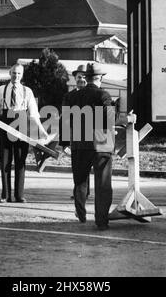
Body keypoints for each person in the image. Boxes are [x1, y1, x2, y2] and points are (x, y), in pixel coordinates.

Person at [0, 63, 49, 203]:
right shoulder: (1, 89)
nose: (16, 76)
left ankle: (19, 195)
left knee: (20, 160)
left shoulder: (27, 91)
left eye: (19, 73)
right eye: (14, 73)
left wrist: (41, 131)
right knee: (5, 159)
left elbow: (34, 113)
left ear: (22, 75)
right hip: (5, 122)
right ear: (9, 73)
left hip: (22, 122)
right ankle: (5, 195)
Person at [66, 63, 115, 231]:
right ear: (100, 78)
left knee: (80, 180)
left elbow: (66, 121)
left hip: (79, 144)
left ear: (85, 78)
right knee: (103, 184)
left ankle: (81, 213)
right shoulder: (104, 95)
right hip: (100, 144)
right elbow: (109, 121)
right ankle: (101, 221)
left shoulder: (73, 97)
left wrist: (66, 143)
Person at [60, 65, 90, 200]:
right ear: (74, 78)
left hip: (92, 134)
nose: (81, 79)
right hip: (75, 135)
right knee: (77, 165)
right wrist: (65, 142)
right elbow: (65, 119)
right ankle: (79, 192)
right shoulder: (69, 96)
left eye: (84, 77)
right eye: (79, 77)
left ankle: (86, 191)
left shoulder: (94, 94)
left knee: (88, 165)